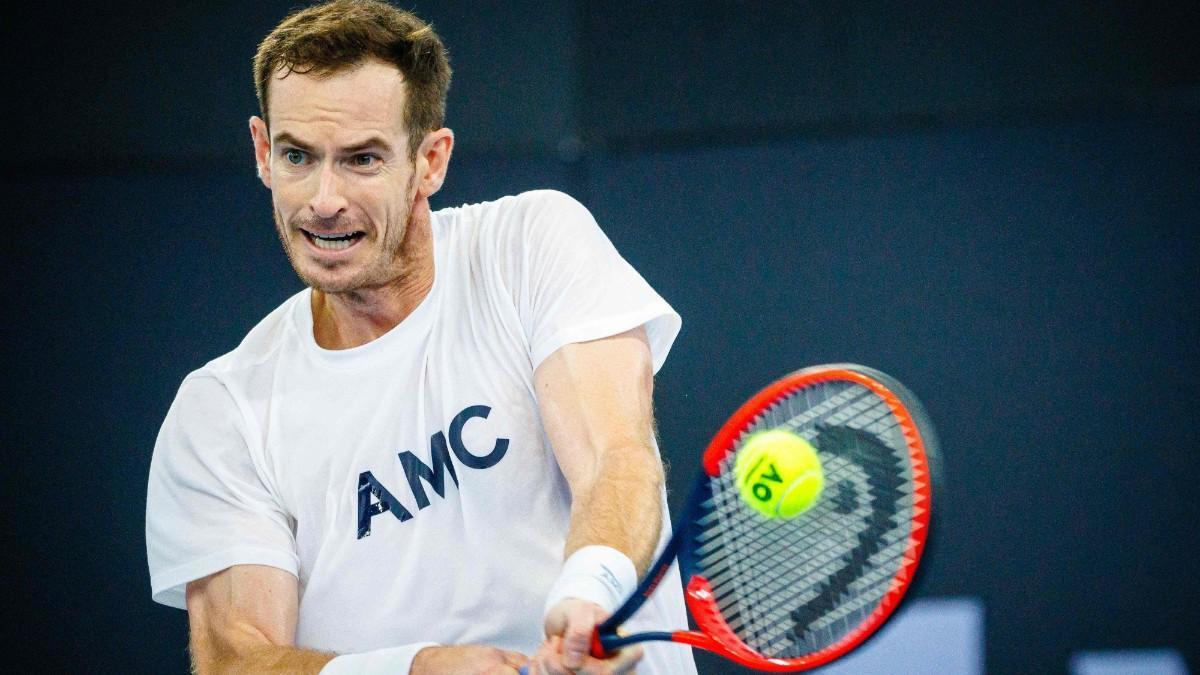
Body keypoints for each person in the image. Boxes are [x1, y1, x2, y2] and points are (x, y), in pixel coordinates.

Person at [145, 1, 698, 673]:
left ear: (430, 161)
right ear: (263, 151)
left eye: (362, 159)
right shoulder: (221, 410)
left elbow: (617, 456)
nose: (323, 199)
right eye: (297, 155)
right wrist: (415, 668)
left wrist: (591, 588)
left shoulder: (529, 246)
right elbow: (238, 660)